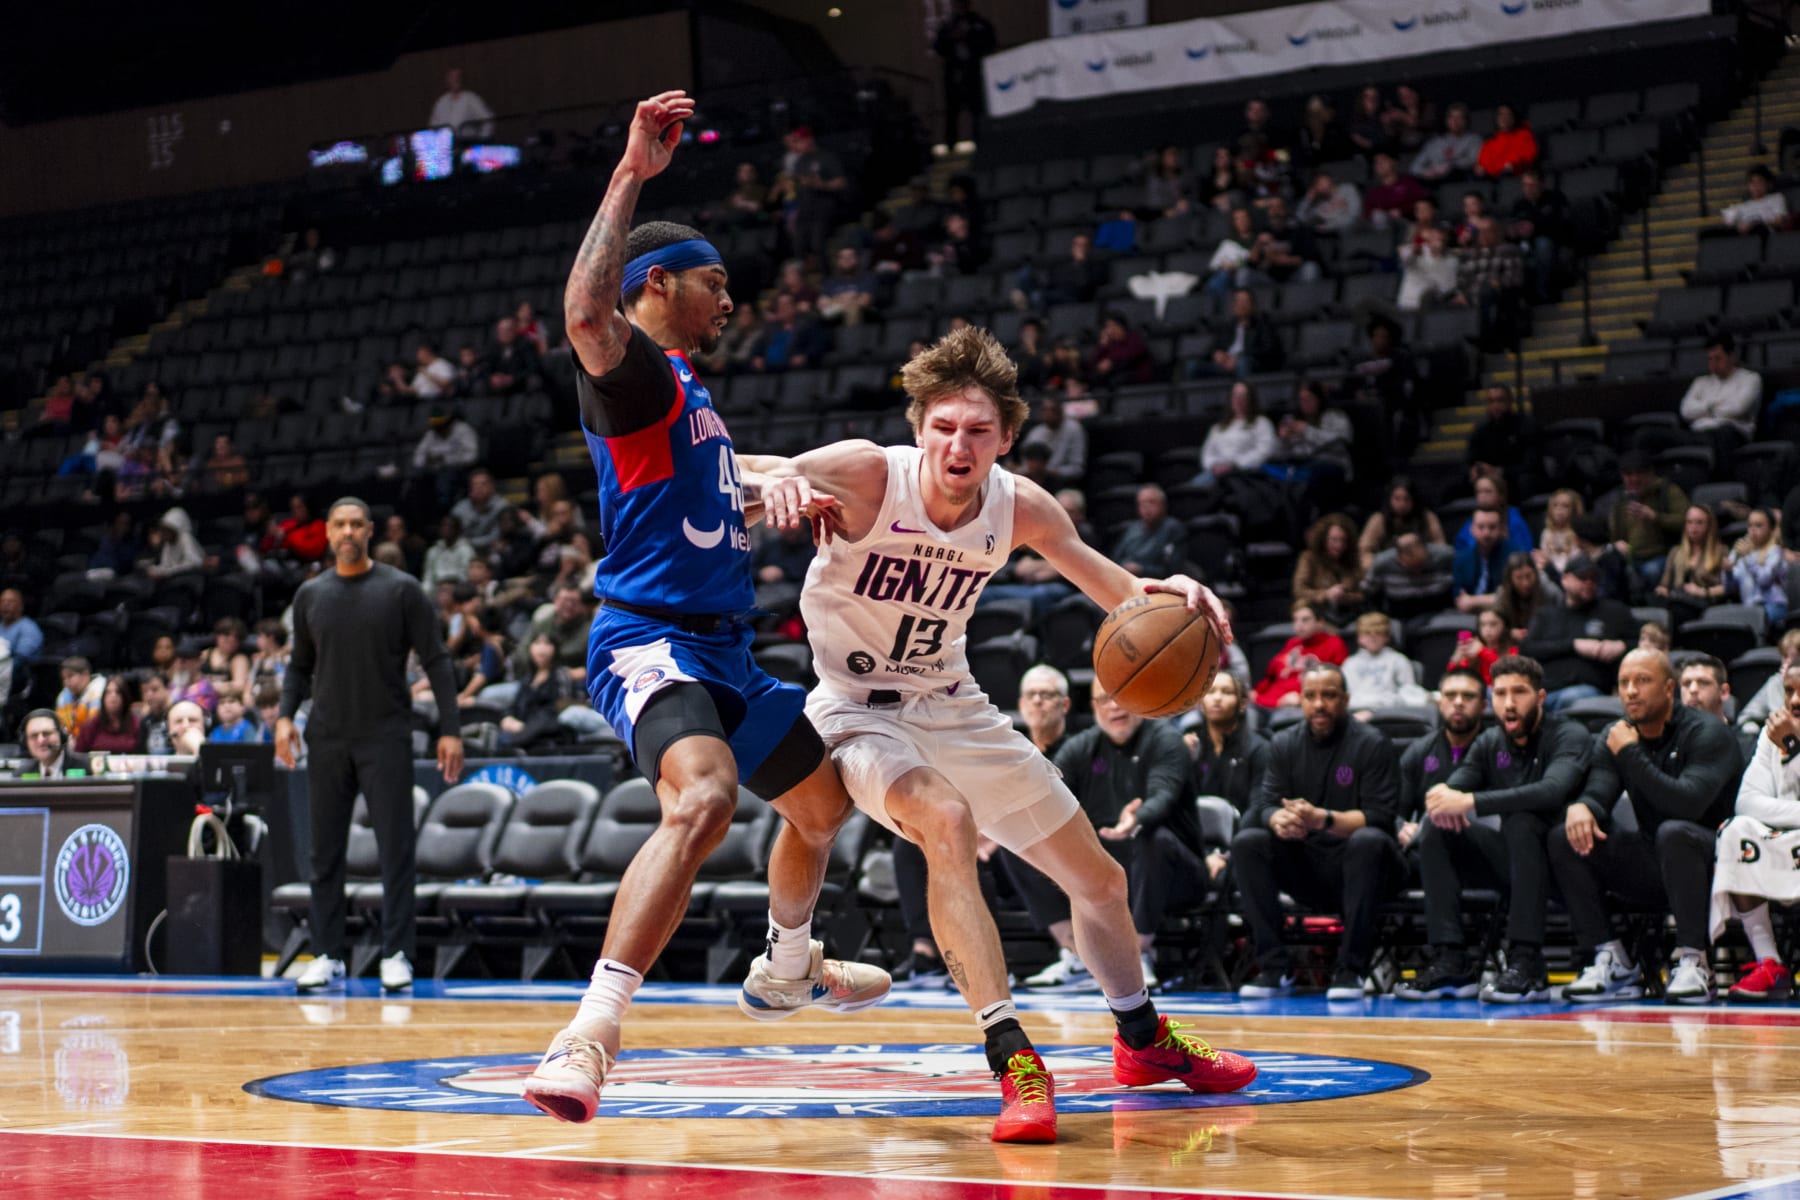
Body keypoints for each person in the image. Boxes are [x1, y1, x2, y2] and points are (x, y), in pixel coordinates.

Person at [743, 324, 1255, 1143]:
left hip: (956, 703)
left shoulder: (1019, 504)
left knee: (1100, 882)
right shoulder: (872, 475)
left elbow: (1122, 596)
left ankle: (1142, 1040)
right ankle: (1011, 1054)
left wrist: (1171, 594)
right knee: (945, 821)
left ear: (1006, 438)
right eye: (943, 427)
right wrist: (777, 486)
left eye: (978, 430)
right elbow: (750, 469)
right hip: (855, 712)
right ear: (919, 432)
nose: (959, 444)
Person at [517, 92, 889, 1126]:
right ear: (660, 285)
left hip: (724, 652)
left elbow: (721, 473)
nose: (733, 298)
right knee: (707, 799)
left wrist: (782, 483)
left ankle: (785, 965)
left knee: (822, 808)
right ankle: (588, 1034)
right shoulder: (634, 376)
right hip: (649, 638)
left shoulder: (691, 396)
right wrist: (632, 169)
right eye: (716, 282)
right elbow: (584, 316)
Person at [277, 498, 465, 997]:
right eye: (338, 523)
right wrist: (282, 717)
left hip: (385, 735)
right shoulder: (309, 595)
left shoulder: (401, 590)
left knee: (395, 850)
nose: (347, 531)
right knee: (325, 854)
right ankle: (327, 955)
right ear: (327, 531)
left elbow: (438, 660)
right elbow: (298, 666)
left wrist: (450, 727)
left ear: (369, 531)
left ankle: (396, 952)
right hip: (327, 735)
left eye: (355, 524)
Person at [1550, 650, 1744, 1004]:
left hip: (1719, 866)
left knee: (1674, 832)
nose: (1631, 692)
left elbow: (1686, 804)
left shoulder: (1708, 733)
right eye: (1624, 683)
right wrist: (1583, 806)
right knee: (1567, 836)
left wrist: (1631, 754)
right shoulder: (1618, 736)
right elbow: (1601, 788)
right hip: (1657, 861)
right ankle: (1613, 958)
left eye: (1642, 681)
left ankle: (1695, 961)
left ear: (1669, 688)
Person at [1404, 656, 1593, 1003]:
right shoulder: (1491, 742)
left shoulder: (1569, 734)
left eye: (1518, 692)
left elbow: (1552, 790)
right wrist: (1441, 798)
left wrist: (1470, 801)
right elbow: (1454, 788)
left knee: (1522, 820)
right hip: (1515, 865)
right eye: (1501, 693)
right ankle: (1451, 958)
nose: (1508, 703)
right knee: (1436, 827)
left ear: (1539, 697)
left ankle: (1528, 961)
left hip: (1568, 865)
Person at [1009, 677, 1199, 993]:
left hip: (1176, 872)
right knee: (1018, 843)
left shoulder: (1166, 740)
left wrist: (1137, 819)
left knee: (1154, 838)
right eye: (1104, 700)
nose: (1113, 707)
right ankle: (1078, 954)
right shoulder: (1081, 746)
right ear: (1094, 706)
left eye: (1121, 698)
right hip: (1104, 863)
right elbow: (1044, 795)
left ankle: (1138, 953)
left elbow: (1163, 795)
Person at [1234, 664, 1406, 999]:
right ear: (1300, 700)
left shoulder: (1372, 744)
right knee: (1248, 842)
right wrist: (1278, 821)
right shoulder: (1283, 743)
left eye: (1328, 696)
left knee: (1368, 841)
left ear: (1345, 699)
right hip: (1308, 863)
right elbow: (1266, 805)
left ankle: (1351, 970)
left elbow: (1381, 818)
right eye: (1311, 696)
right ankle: (1275, 967)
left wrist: (1322, 819)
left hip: (1367, 868)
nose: (1319, 704)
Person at [1708, 662, 1800, 1002]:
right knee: (1736, 831)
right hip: (1788, 836)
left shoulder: (1786, 733)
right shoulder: (1771, 733)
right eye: (1789, 691)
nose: (1794, 701)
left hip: (1788, 832)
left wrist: (1795, 744)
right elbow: (1746, 803)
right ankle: (1769, 962)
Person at [1520, 553, 1635, 713]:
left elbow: (1641, 644)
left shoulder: (1615, 612)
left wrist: (1621, 646)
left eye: (1593, 578)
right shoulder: (1546, 615)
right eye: (1582, 577)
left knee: (1572, 697)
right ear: (1565, 579)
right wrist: (1574, 645)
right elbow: (1527, 649)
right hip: (1546, 689)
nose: (1589, 583)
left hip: (1586, 692)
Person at [1187, 671, 1268, 816]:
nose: (1217, 698)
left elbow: (1258, 806)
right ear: (1201, 702)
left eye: (1227, 692)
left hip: (1241, 830)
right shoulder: (1191, 744)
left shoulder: (1258, 749)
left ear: (1242, 703)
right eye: (1210, 692)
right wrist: (1184, 758)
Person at [1679, 334, 1762, 464]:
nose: (1713, 364)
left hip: (1732, 433)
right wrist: (1713, 407)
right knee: (1649, 435)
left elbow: (1737, 409)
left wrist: (1701, 411)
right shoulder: (1701, 382)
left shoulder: (1750, 379)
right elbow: (1685, 411)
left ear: (1731, 357)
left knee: (1721, 434)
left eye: (1718, 358)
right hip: (1698, 434)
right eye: (1710, 359)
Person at [1611, 450, 1689, 586]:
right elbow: (1612, 534)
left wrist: (1655, 517)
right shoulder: (1620, 500)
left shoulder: (1667, 491)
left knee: (1651, 571)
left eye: (1639, 473)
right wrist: (1615, 544)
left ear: (1650, 473)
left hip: (1664, 554)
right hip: (1631, 557)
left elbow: (1687, 522)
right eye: (1629, 474)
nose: (1634, 479)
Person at [1254, 599, 1348, 710]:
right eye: (1295, 620)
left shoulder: (1334, 643)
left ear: (1320, 622)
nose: (1299, 625)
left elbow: (1336, 683)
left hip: (1299, 704)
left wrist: (1305, 698)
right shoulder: (1292, 643)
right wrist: (1256, 693)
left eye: (1305, 620)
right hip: (1269, 701)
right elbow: (1271, 677)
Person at [932, 0, 995, 151]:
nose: (959, 6)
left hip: (974, 73)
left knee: (977, 111)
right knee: (952, 111)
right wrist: (952, 38)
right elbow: (939, 47)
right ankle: (950, 146)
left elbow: (990, 43)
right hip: (954, 74)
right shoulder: (948, 26)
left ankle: (981, 144)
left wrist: (969, 36)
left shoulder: (979, 23)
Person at [1654, 505, 1727, 630]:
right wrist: (1662, 590)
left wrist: (1701, 591)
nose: (1693, 527)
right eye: (1690, 522)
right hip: (1677, 601)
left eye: (1699, 523)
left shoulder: (1720, 552)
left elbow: (1728, 588)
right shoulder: (1676, 552)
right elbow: (1665, 584)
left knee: (1675, 614)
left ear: (1710, 526)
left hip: (1704, 603)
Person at [1195, 381, 1277, 486]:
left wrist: (1235, 465)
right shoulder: (1218, 427)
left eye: (1243, 396)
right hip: (1215, 472)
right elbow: (1207, 453)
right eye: (1235, 395)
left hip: (1245, 474)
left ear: (1250, 400)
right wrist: (1214, 465)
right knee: (1190, 490)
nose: (1238, 400)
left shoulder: (1261, 423)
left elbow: (1264, 451)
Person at [1343, 612, 1428, 713]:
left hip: (1390, 713)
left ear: (1387, 637)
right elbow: (1346, 696)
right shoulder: (1349, 664)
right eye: (1367, 633)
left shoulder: (1398, 660)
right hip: (1357, 712)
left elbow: (1409, 692)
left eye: (1378, 633)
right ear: (1359, 638)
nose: (1373, 638)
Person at [1358, 477, 1446, 572]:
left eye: (1406, 499)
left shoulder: (1427, 517)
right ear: (1389, 499)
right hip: (1389, 572)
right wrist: (1379, 564)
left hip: (1422, 569)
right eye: (1397, 499)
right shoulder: (1379, 519)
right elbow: (1363, 551)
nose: (1402, 504)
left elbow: (1441, 549)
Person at [1292, 515, 1364, 628]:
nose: (1339, 545)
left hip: (1350, 615)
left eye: (1343, 540)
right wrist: (1326, 594)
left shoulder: (1352, 560)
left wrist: (1345, 597)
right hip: (1319, 614)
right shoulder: (1309, 558)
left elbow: (1363, 594)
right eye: (1334, 540)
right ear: (1323, 539)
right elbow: (1299, 591)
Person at [1730, 507, 1789, 629]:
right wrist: (1726, 571)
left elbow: (1764, 580)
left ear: (1771, 529)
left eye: (1758, 525)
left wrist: (1748, 557)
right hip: (1749, 608)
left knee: (1752, 620)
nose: (1752, 530)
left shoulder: (1775, 553)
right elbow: (1730, 587)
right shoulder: (1743, 553)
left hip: (1774, 606)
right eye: (1750, 525)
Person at [1109, 485, 1187, 577]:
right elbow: (1116, 559)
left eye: (1151, 502)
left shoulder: (1173, 529)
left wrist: (1143, 570)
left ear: (1163, 505)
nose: (1146, 507)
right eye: (1142, 503)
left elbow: (1172, 570)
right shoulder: (1132, 528)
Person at [1453, 507, 1514, 614]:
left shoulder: (1513, 555)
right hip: (1469, 618)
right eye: (1481, 527)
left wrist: (1472, 601)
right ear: (1471, 529)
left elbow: (1511, 597)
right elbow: (1460, 600)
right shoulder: (1461, 558)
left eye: (1492, 527)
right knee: (1460, 631)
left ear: (1501, 529)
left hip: (1502, 616)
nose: (1486, 533)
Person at [1018, 394, 1086, 491]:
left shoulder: (1074, 429)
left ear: (1061, 411)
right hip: (1036, 484)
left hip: (1065, 485)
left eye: (1052, 410)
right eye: (1044, 410)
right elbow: (1025, 465)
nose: (1048, 413)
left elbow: (1077, 469)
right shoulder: (1036, 432)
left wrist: (1052, 472)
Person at [1493, 553, 1560, 644]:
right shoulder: (1502, 594)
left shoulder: (1549, 591)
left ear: (1535, 573)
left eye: (1529, 576)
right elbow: (1495, 623)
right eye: (1519, 578)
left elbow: (1561, 619)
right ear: (1510, 578)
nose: (1525, 583)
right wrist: (1509, 633)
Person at [1447, 607, 1515, 685]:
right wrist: (1455, 660)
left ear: (1505, 626)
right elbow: (1451, 678)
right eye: (1483, 625)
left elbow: (1507, 671)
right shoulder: (1475, 648)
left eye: (1493, 624)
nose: (1487, 629)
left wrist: (1482, 651)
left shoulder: (1513, 650)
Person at [75, 676, 140, 754]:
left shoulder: (137, 724)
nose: (113, 696)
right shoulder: (90, 725)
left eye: (118, 692)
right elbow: (78, 756)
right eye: (108, 692)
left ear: (125, 697)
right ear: (103, 698)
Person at [18, 710, 89, 778]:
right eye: (34, 735)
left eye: (46, 733)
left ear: (61, 736)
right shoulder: (21, 774)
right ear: (25, 742)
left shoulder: (87, 768)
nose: (41, 740)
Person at [1720, 165, 1790, 234]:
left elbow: (1780, 221)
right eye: (1752, 182)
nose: (1755, 186)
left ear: (1769, 184)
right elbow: (1728, 222)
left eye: (1759, 182)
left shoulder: (1776, 198)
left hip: (1764, 232)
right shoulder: (1743, 206)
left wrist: (1754, 224)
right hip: (1744, 236)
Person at [429, 67, 494, 139]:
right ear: (447, 80)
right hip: (445, 144)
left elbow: (488, 119)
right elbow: (433, 125)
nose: (455, 80)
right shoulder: (441, 101)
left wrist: (482, 138)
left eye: (457, 77)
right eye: (452, 77)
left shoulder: (471, 98)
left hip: (466, 142)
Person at [1476, 103, 1536, 178]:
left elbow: (1528, 157)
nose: (1504, 118)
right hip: (1493, 180)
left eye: (1508, 114)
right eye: (1501, 115)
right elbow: (1482, 165)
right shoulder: (1489, 142)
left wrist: (1514, 166)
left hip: (1517, 178)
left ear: (1513, 118)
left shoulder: (1524, 136)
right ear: (1496, 119)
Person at [55, 656, 106, 739]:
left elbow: (95, 726)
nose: (66, 682)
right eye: (63, 678)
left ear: (85, 674)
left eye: (70, 676)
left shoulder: (100, 690)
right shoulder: (64, 696)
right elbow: (62, 728)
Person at [1537, 488, 1584, 576]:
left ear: (1574, 510)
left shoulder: (1579, 534)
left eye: (1565, 506)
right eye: (1555, 505)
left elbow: (1576, 561)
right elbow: (1544, 559)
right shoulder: (1546, 533)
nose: (1559, 510)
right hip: (1550, 574)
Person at [0, 588, 43, 662]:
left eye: (10, 602)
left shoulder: (29, 628)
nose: (5, 605)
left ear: (21, 606)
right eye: (2, 601)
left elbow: (19, 658)